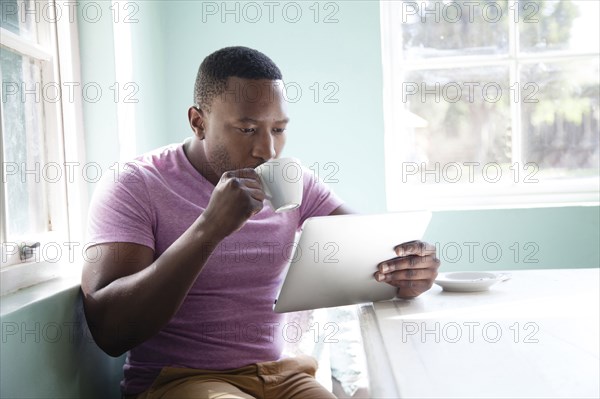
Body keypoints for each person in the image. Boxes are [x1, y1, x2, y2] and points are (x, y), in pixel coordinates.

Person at [81, 46, 440, 399]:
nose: (267, 151)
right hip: (180, 380)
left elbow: (373, 250)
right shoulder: (136, 184)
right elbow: (110, 331)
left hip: (282, 375)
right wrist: (209, 228)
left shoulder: (290, 180)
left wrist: (407, 271)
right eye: (248, 129)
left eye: (279, 129)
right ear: (198, 122)